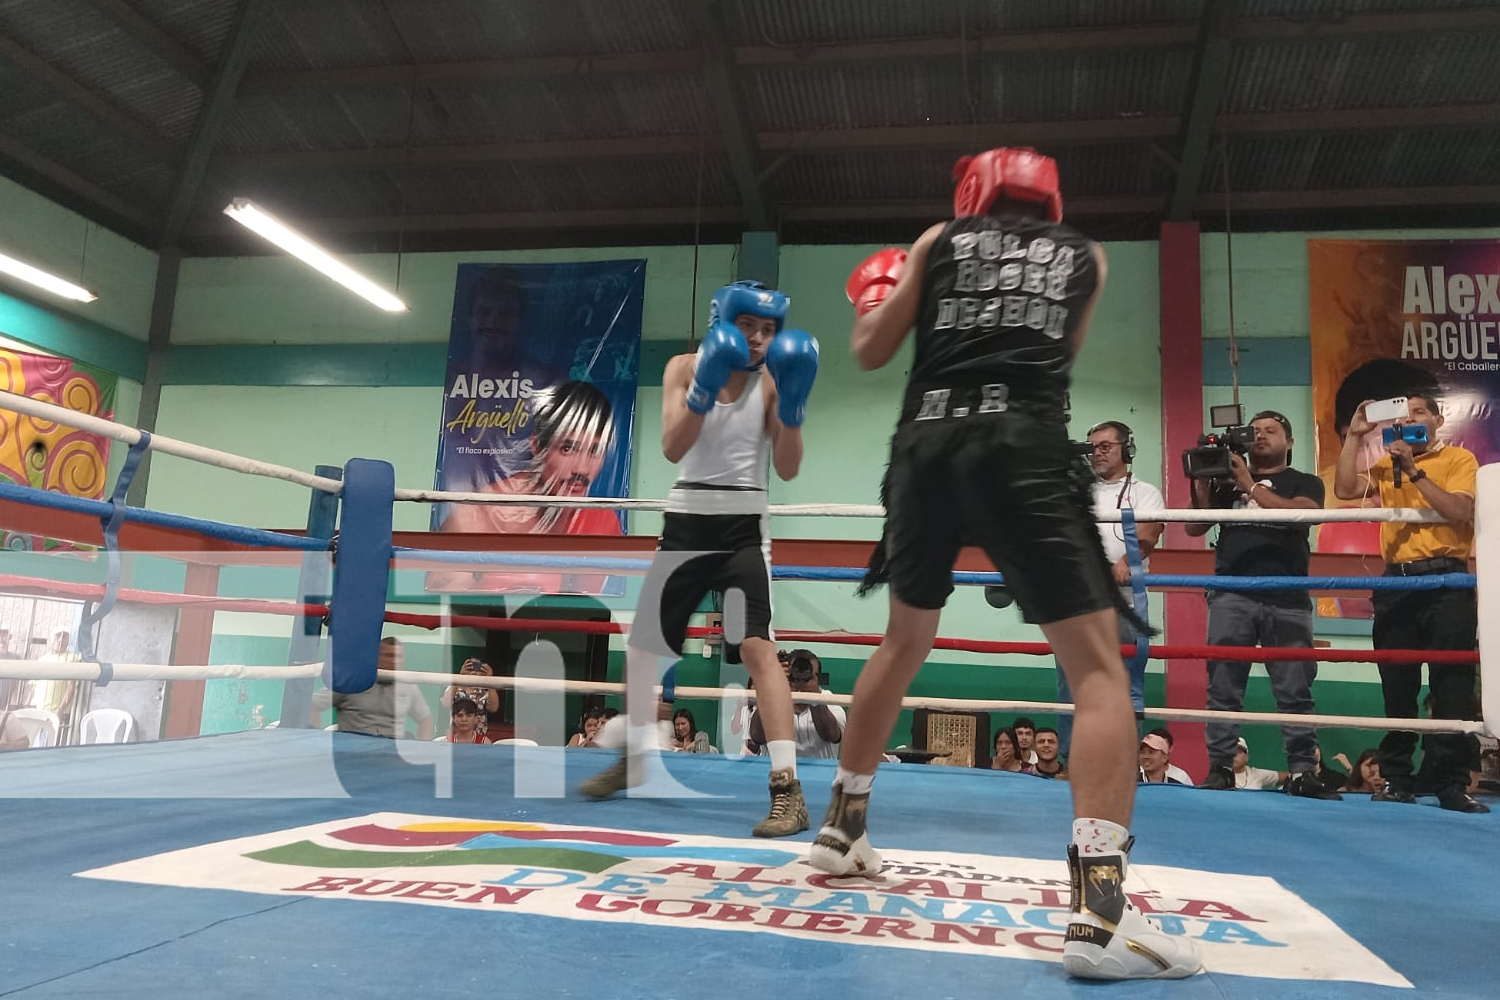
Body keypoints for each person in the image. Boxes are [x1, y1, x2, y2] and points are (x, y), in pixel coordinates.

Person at [810, 147, 1200, 979]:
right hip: (1020, 445)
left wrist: (876, 302)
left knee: (903, 639)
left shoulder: (936, 240)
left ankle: (842, 827)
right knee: (1096, 668)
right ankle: (1100, 916)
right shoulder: (1086, 257)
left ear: (973, 192)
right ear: (1051, 199)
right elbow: (1062, 360)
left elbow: (871, 352)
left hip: (921, 449)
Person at [579, 280, 820, 840]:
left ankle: (788, 791)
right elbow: (671, 447)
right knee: (643, 650)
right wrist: (704, 390)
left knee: (759, 650)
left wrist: (795, 407)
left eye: (768, 330)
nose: (759, 339)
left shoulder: (774, 380)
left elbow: (787, 469)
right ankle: (636, 759)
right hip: (686, 522)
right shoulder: (685, 367)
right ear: (723, 321)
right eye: (748, 326)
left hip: (741, 529)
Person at [1334, 392, 1487, 813]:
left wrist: (1414, 471)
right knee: (1397, 684)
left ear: (1438, 421)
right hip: (1397, 581)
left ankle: (1449, 783)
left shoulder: (1460, 460)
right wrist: (1355, 435)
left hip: (1447, 577)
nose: (1411, 419)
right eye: (1404, 414)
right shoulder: (1384, 462)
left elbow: (1459, 511)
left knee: (1451, 685)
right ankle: (1397, 778)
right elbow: (1345, 489)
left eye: (1420, 412)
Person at [1185, 411, 1340, 801]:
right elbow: (1194, 526)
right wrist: (1202, 482)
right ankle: (1220, 768)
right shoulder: (1228, 481)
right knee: (1222, 686)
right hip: (1231, 592)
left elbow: (1303, 514)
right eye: (1254, 431)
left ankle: (1304, 771)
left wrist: (1249, 485)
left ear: (1289, 442)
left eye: (1271, 431)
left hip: (1287, 595)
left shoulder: (1305, 481)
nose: (1261, 436)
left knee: (1294, 690)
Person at [430, 380, 624, 593]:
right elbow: (446, 605)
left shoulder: (602, 522)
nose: (582, 468)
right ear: (537, 445)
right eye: (568, 448)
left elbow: (585, 610)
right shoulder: (477, 514)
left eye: (595, 451)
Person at [1056, 420, 1165, 755]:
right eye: (1092, 447)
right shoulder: (1076, 490)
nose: (1097, 453)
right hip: (1077, 597)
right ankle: (1073, 759)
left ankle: (1123, 760)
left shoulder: (1145, 491)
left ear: (1126, 449)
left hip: (1123, 600)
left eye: (1105, 446)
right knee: (1073, 680)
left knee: (1122, 682)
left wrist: (1130, 559)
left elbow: (1151, 530)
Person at [309, 637, 434, 740]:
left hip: (391, 750)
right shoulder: (352, 680)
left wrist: (421, 747)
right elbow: (313, 704)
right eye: (389, 655)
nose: (395, 661)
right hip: (353, 748)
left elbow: (425, 719)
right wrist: (319, 738)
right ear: (376, 656)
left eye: (399, 656)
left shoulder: (408, 685)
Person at [748, 649, 844, 759]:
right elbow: (757, 737)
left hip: (820, 775)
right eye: (796, 672)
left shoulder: (830, 700)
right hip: (777, 773)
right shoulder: (772, 699)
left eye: (808, 673)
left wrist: (814, 698)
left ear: (818, 678)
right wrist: (770, 688)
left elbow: (832, 735)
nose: (801, 677)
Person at [440, 658, 501, 739]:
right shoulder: (455, 688)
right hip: (456, 737)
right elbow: (445, 703)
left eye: (477, 668)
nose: (473, 672)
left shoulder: (485, 692)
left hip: (478, 739)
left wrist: (489, 680)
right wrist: (460, 677)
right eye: (470, 668)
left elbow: (493, 708)